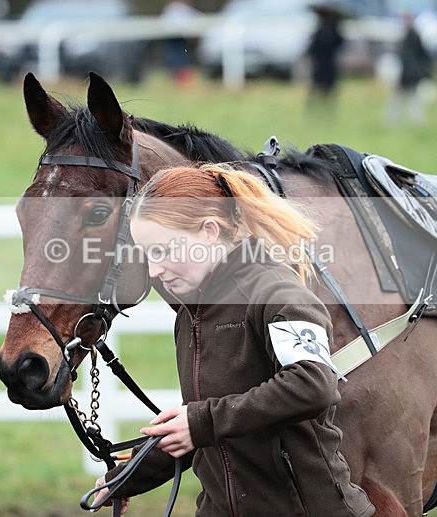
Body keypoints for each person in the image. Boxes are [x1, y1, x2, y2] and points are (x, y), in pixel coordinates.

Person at [93, 165, 375, 516]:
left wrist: (201, 423)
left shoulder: (278, 294)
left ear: (210, 231)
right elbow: (200, 425)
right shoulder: (191, 314)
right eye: (147, 255)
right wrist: (124, 479)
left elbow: (313, 385)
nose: (154, 270)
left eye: (162, 251)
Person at [385, 11, 436, 125]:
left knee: (404, 99)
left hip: (409, 75)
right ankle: (412, 121)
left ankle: (397, 121)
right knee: (409, 99)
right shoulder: (411, 35)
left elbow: (415, 58)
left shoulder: (411, 36)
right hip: (411, 74)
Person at [306, 4, 345, 112]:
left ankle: (327, 110)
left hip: (328, 64)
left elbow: (338, 44)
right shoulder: (320, 31)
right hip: (320, 64)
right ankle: (314, 110)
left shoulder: (333, 31)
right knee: (317, 88)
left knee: (327, 88)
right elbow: (312, 48)